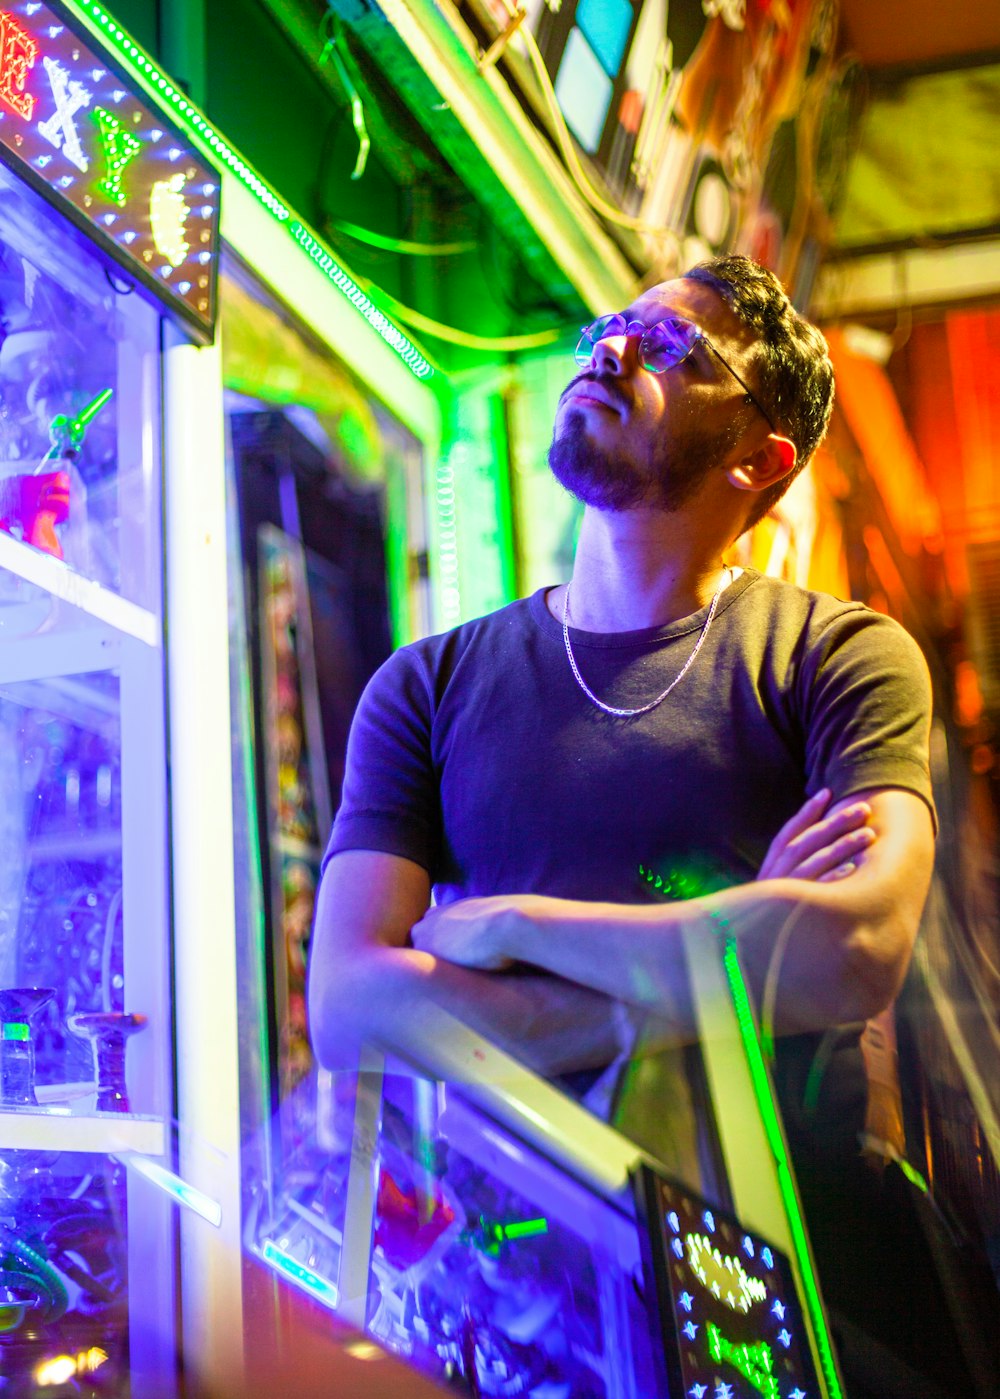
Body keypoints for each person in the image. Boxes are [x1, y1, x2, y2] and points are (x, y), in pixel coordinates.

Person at [308, 255, 934, 1093]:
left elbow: (856, 950)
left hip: (787, 1219)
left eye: (676, 346)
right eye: (615, 328)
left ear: (758, 458)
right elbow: (348, 1011)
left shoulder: (839, 657)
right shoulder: (424, 686)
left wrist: (517, 925)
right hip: (519, 1223)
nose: (615, 352)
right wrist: (728, 965)